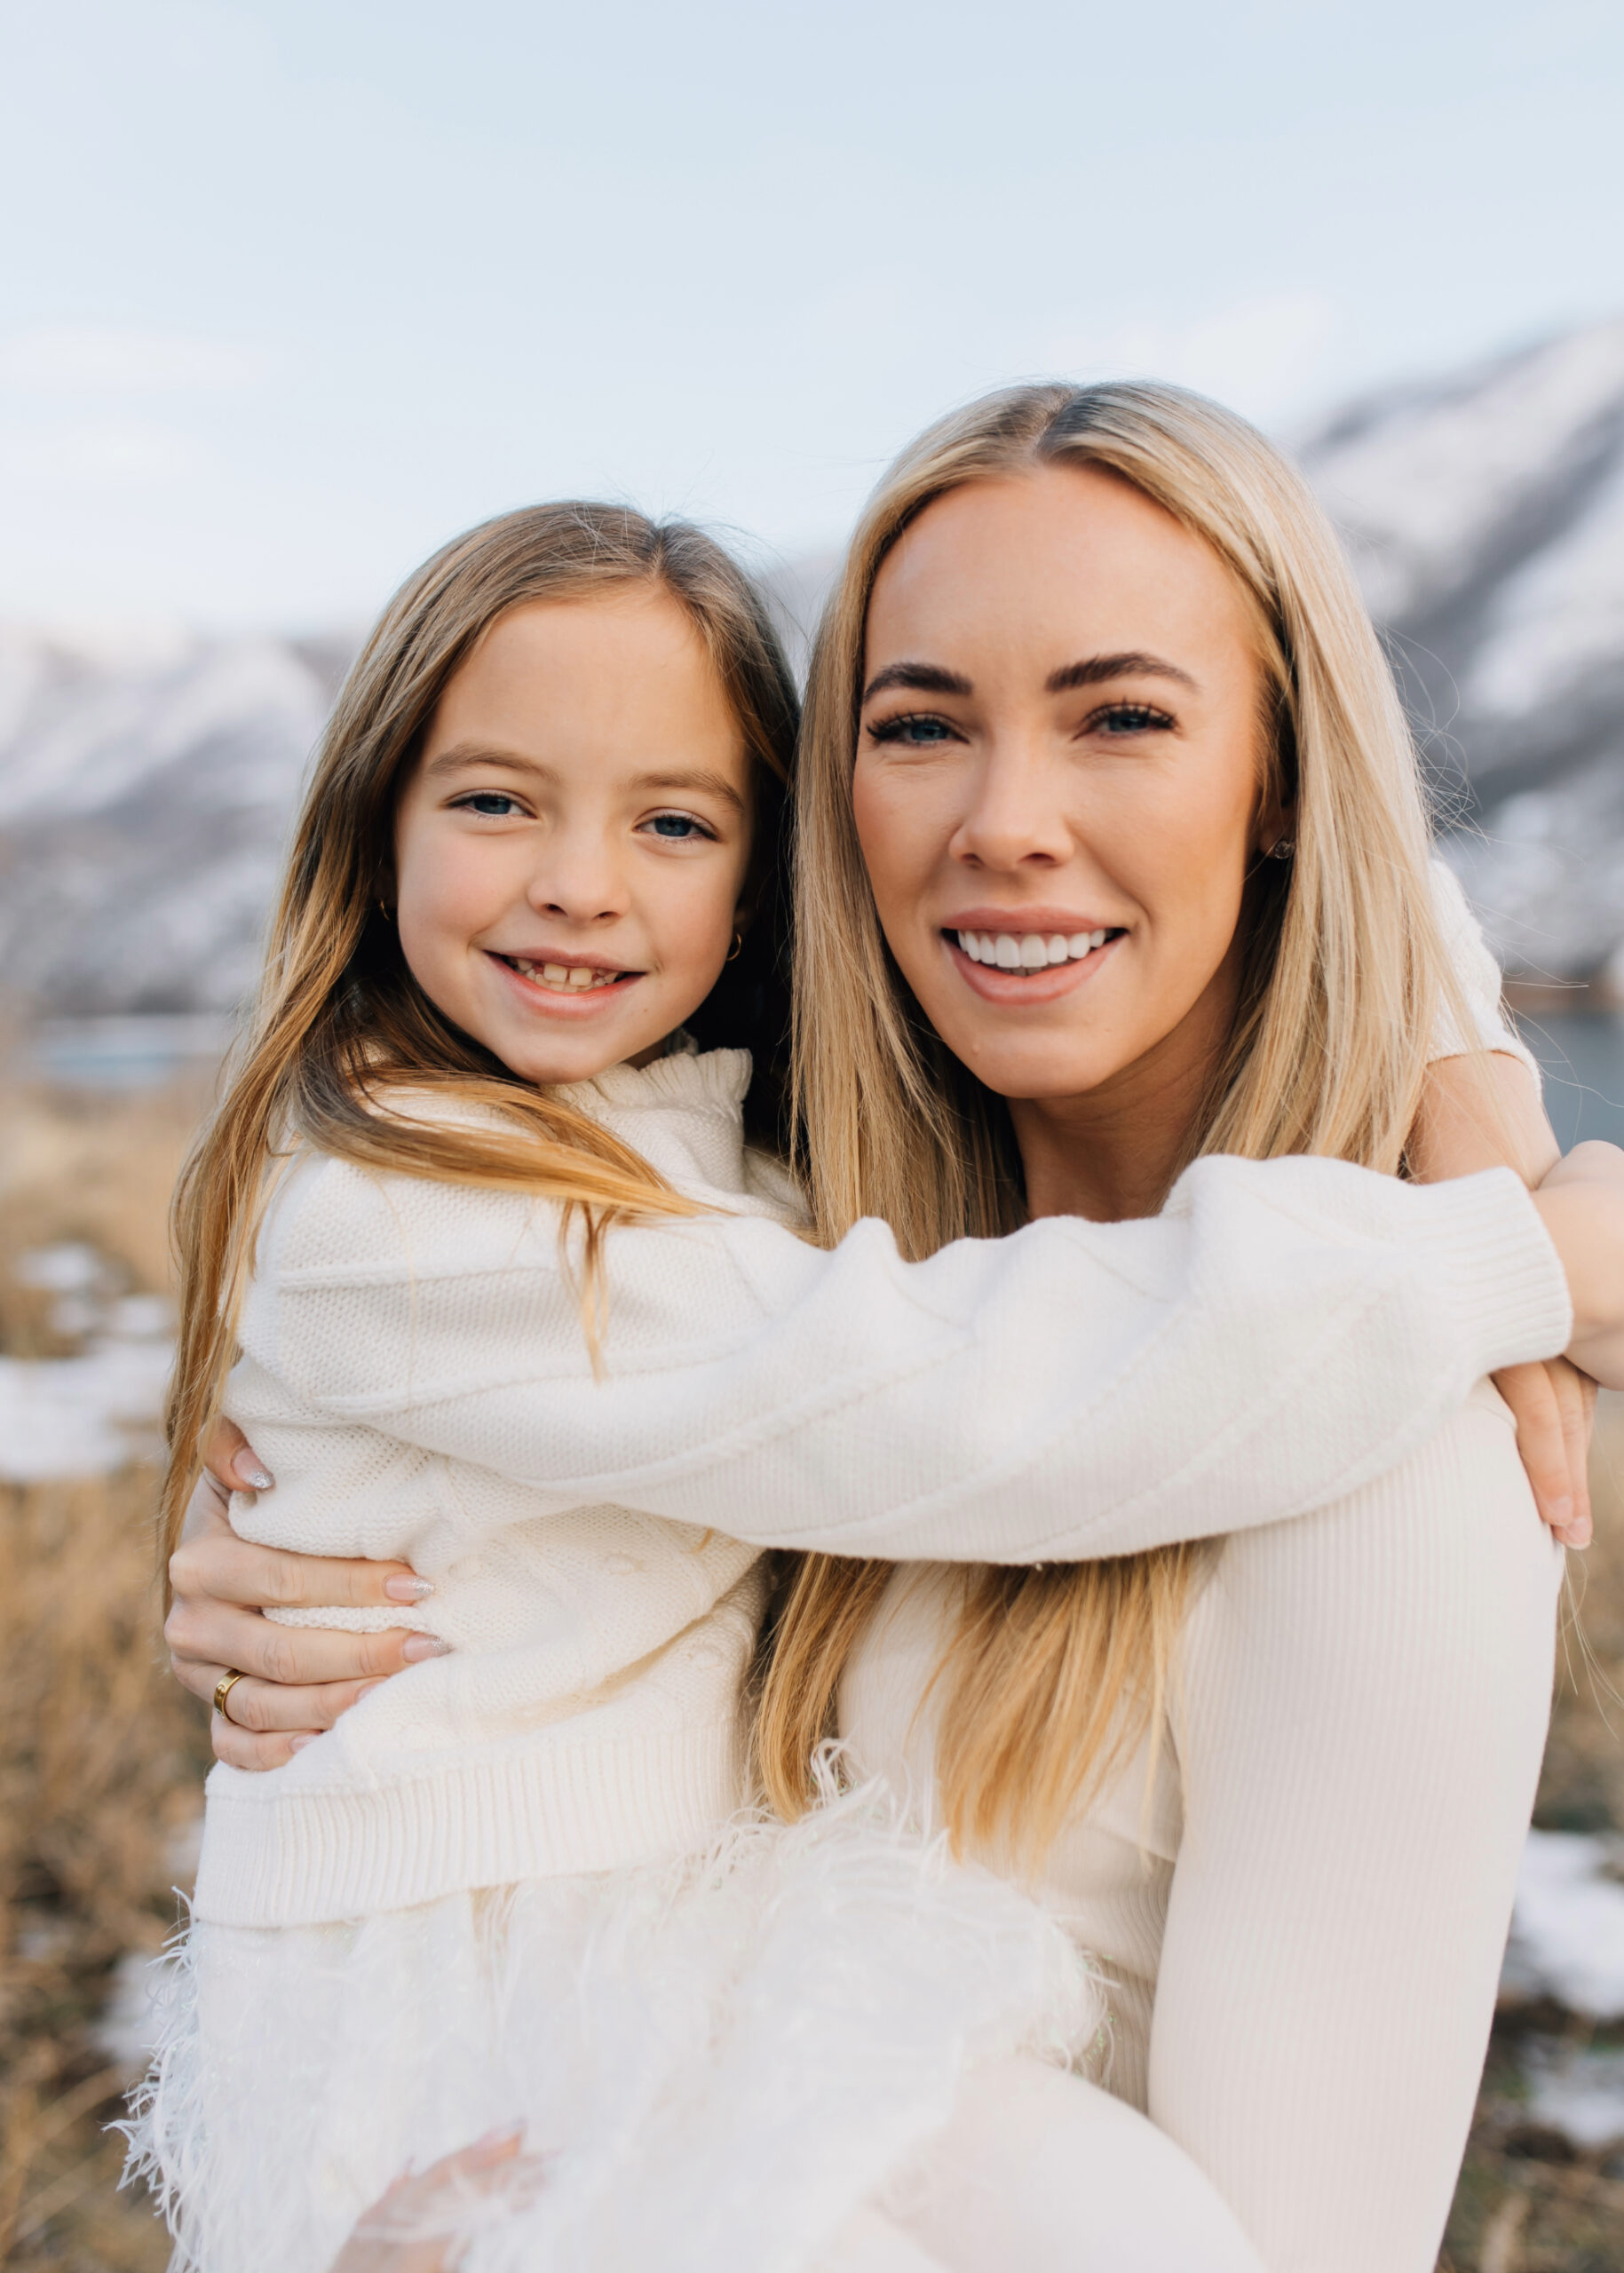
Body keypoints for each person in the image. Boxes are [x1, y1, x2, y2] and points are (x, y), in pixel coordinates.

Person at [157, 397, 1624, 2273]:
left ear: (1282, 776)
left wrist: (1493, 1188)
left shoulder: (1396, 1424)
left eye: (1123, 715)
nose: (1004, 822)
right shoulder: (816, 1216)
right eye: (920, 723)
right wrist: (367, 1571)